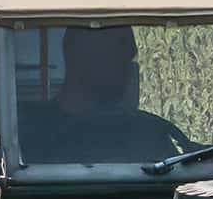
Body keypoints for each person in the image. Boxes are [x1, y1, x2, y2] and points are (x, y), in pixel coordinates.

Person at [20, 25, 188, 164]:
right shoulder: (29, 134)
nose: (127, 69)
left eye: (128, 59)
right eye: (117, 52)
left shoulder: (150, 132)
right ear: (78, 53)